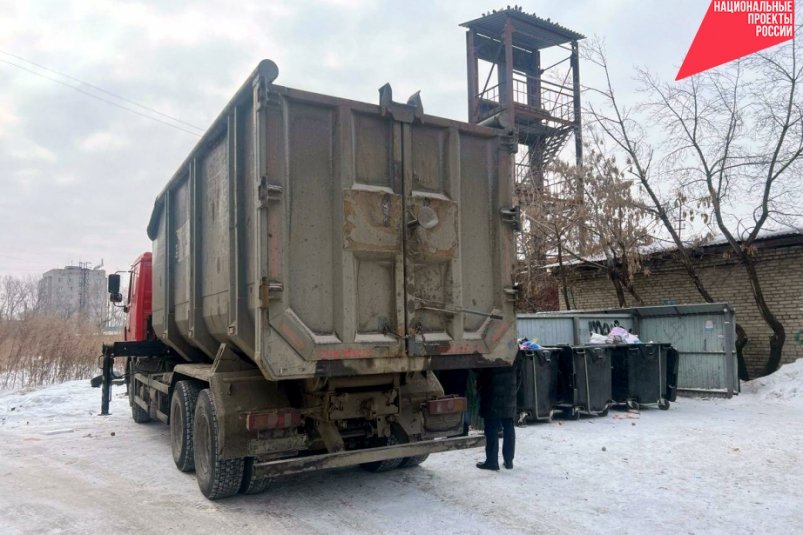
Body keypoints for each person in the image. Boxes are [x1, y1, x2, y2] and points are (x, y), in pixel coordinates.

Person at [476, 363, 517, 471]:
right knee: (508, 423)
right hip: (509, 387)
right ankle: (509, 461)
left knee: (491, 425)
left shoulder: (489, 346)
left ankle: (492, 461)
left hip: (492, 388)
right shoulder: (513, 346)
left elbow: (480, 366)